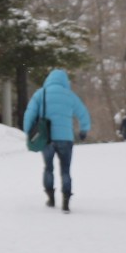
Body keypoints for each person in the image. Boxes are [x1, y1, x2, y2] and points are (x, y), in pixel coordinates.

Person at [22, 69, 91, 212]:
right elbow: (83, 113)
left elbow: (29, 114)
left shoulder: (41, 94)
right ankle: (66, 200)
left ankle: (51, 198)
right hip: (65, 138)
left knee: (48, 168)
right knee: (65, 170)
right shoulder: (70, 96)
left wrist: (28, 131)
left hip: (46, 138)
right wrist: (84, 130)